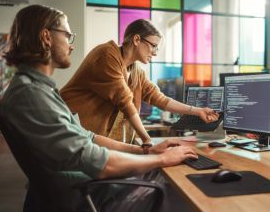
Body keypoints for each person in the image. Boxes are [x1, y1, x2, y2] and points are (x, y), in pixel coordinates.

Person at [0, 4, 198, 212]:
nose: (71, 45)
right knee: (179, 190)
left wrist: (145, 150)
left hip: (84, 185)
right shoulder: (31, 95)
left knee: (164, 171)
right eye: (68, 35)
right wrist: (161, 157)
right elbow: (97, 160)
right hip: (86, 194)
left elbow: (88, 137)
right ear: (46, 37)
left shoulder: (40, 90)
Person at [60, 19, 219, 145]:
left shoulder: (135, 71)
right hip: (71, 137)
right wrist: (148, 141)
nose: (155, 53)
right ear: (137, 39)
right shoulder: (107, 55)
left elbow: (160, 99)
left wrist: (198, 111)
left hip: (95, 144)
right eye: (154, 46)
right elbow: (125, 102)